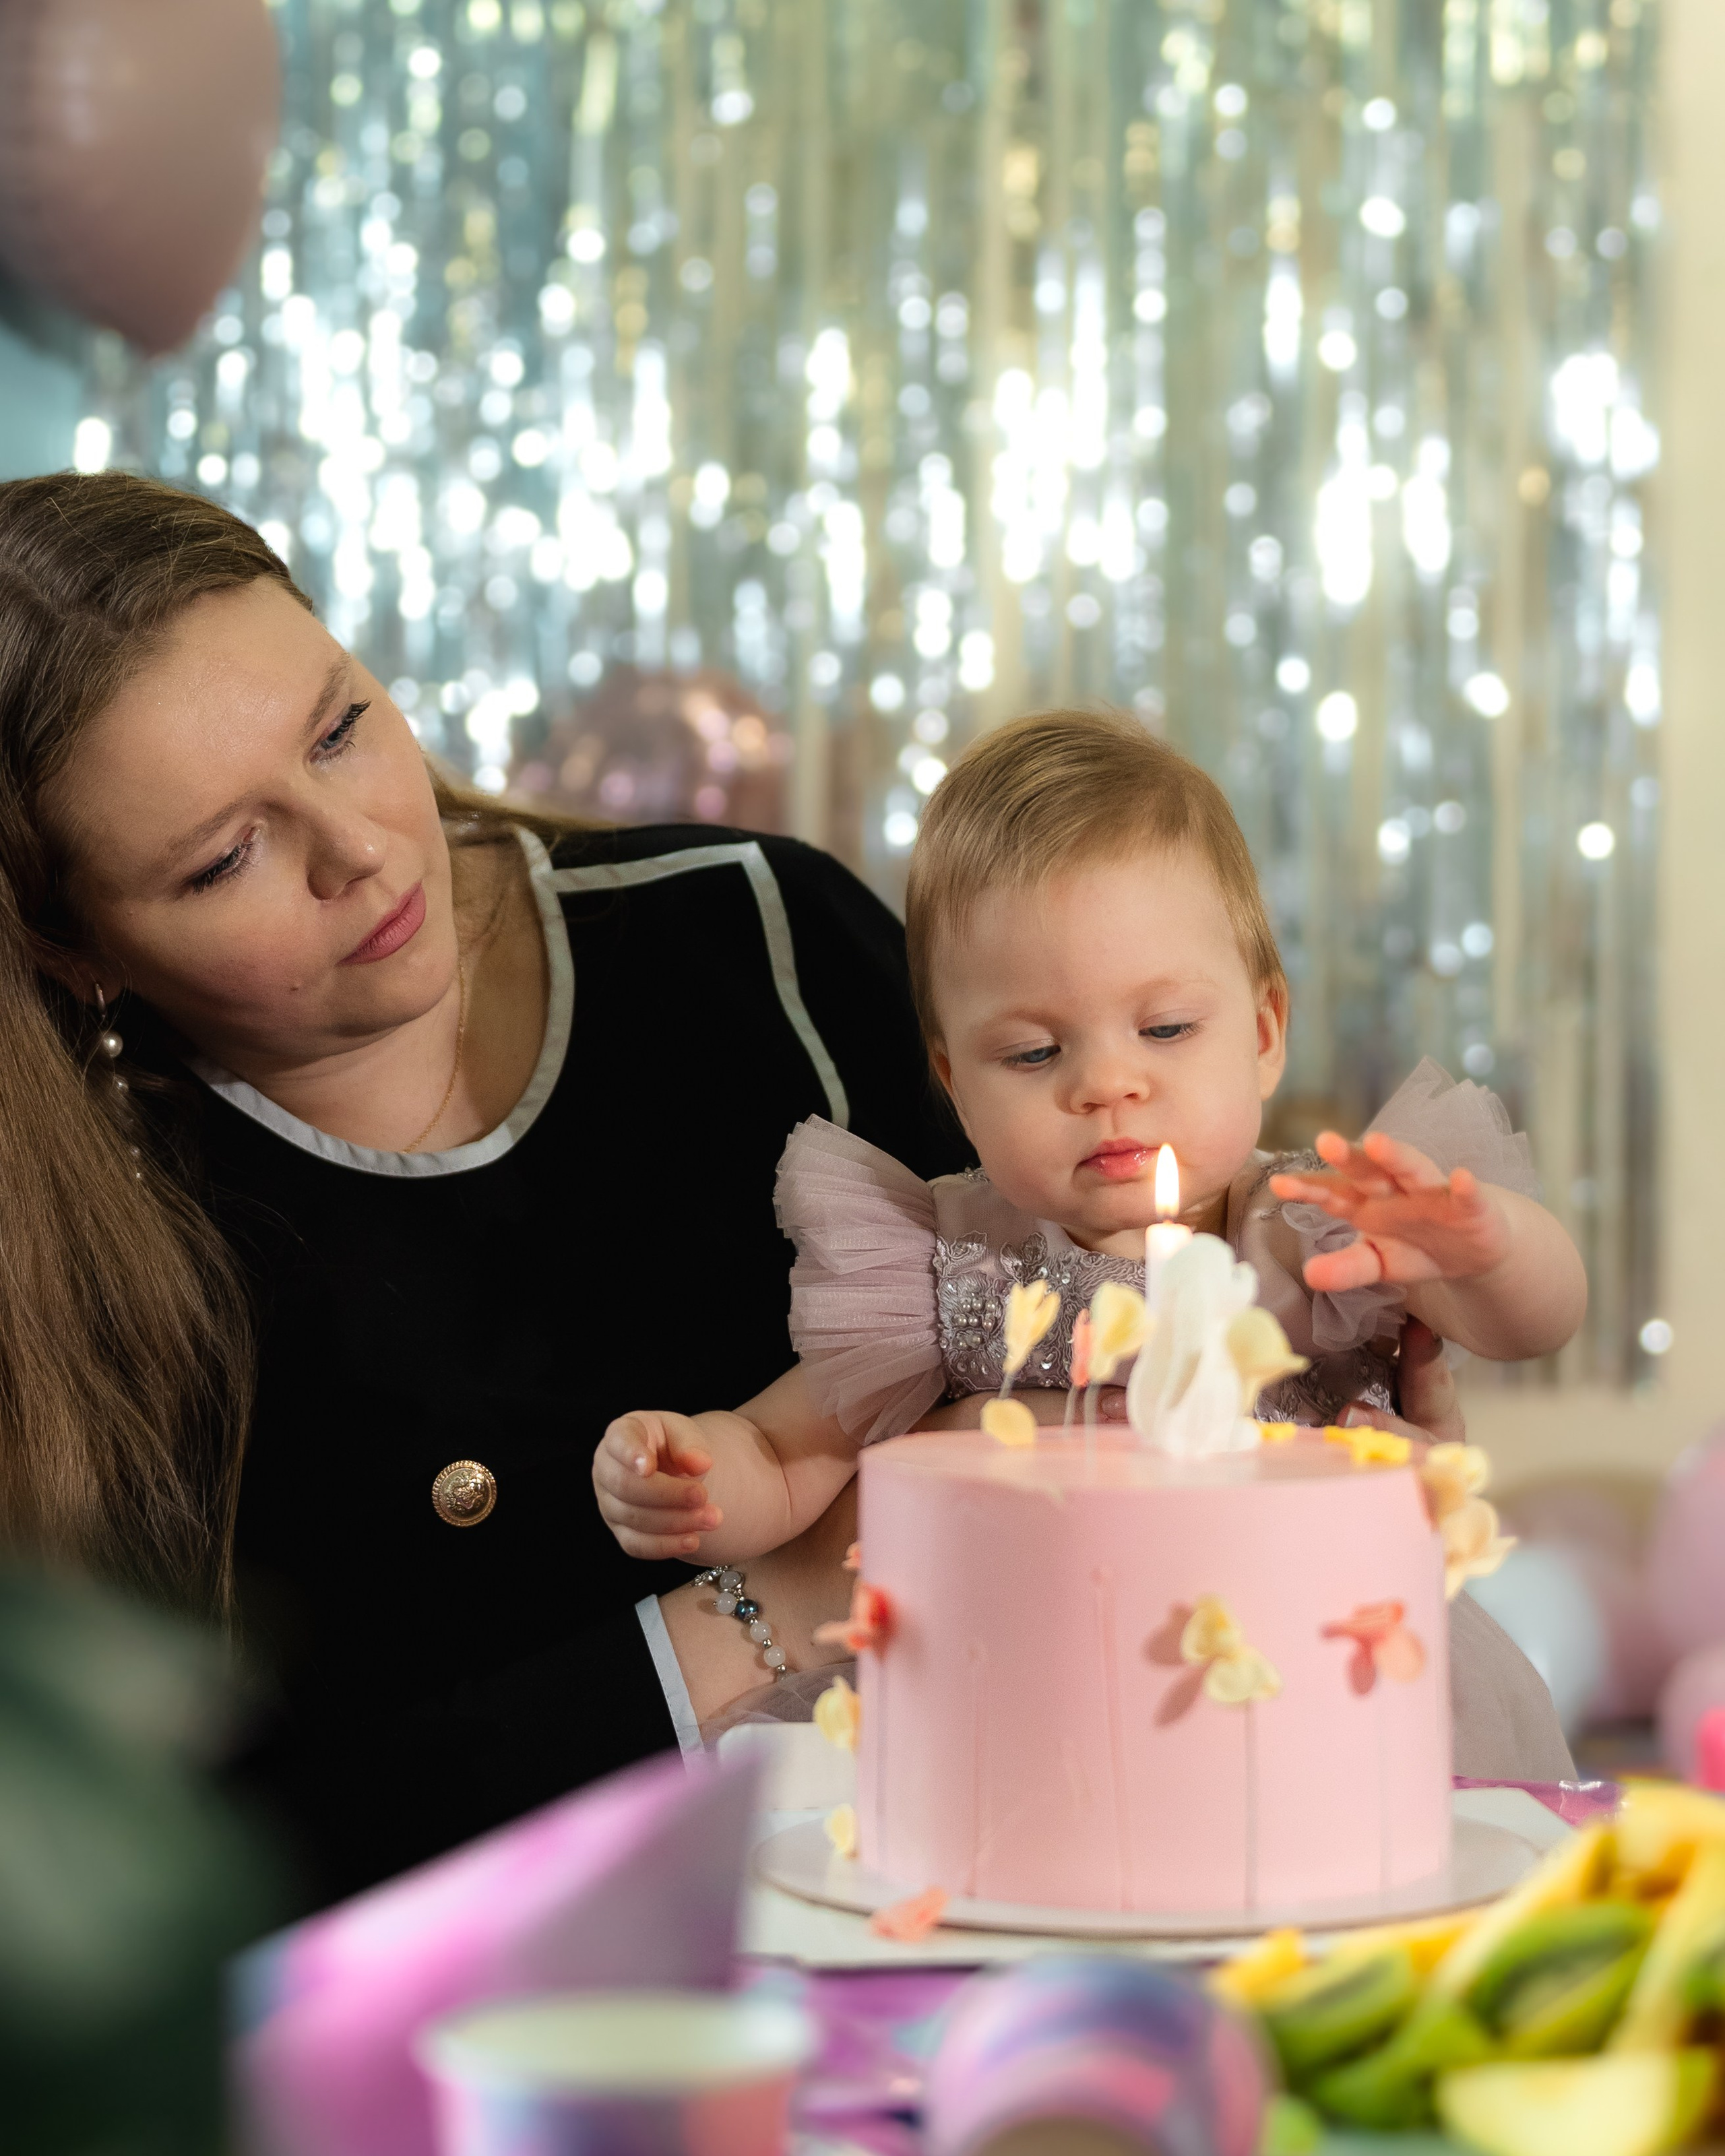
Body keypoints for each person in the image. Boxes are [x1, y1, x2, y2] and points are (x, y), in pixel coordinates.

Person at [0, 470, 968, 1905]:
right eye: (223, 858)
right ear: (78, 949)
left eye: (338, 729)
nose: (361, 850)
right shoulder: (84, 1253)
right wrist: (760, 1611)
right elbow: (230, 1867)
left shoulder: (758, 930)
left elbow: (1096, 1312)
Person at [598, 711, 1586, 1781]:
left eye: (1165, 1029)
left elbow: (1528, 1323)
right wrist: (700, 1475)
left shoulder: (1313, 1225)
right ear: (952, 1082)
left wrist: (1486, 1253)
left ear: (1262, 1032)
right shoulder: (948, 1260)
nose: (1109, 1085)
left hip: (1309, 1696)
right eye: (1032, 1052)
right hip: (1030, 1721)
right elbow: (794, 1454)